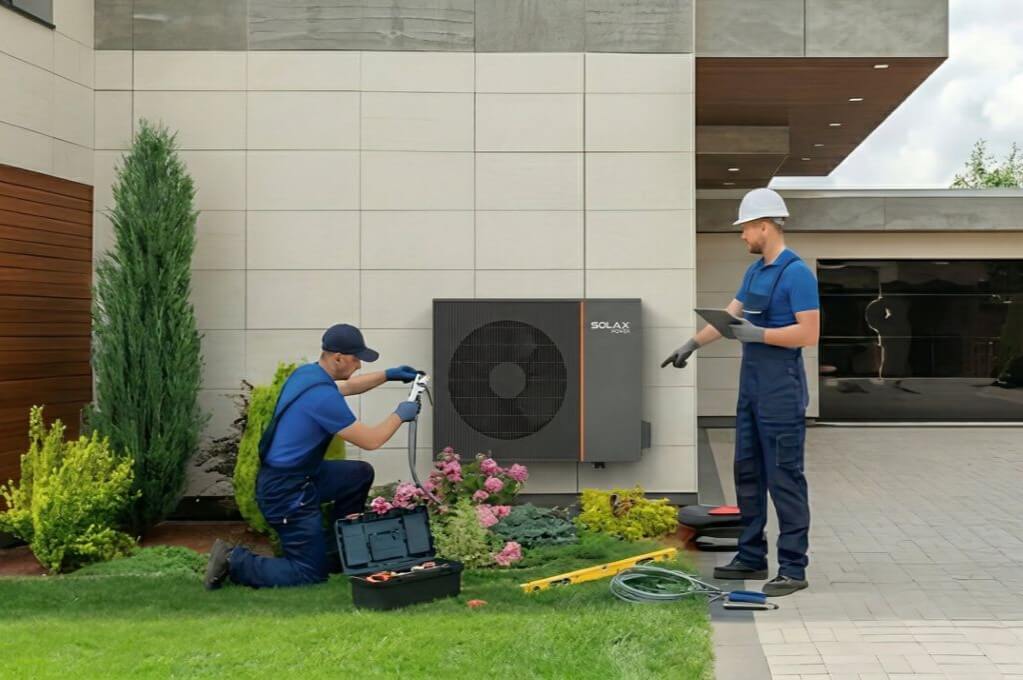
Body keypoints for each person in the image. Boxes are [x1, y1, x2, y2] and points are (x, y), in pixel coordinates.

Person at [662, 188, 820, 597]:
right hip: (751, 391)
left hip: (782, 392)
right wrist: (691, 345)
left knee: (784, 477)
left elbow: (809, 333)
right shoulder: (754, 273)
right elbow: (730, 317)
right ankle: (751, 556)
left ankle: (793, 567)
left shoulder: (797, 274)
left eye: (746, 228)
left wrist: (761, 334)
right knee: (747, 474)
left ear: (764, 226)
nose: (742, 236)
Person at [204, 323, 423, 589]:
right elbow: (371, 440)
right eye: (356, 359)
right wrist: (401, 414)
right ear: (338, 358)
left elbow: (348, 387)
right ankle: (232, 560)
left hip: (304, 476)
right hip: (285, 492)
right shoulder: (322, 399)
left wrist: (388, 375)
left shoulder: (307, 374)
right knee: (308, 573)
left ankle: (338, 551)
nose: (359, 366)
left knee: (358, 474)